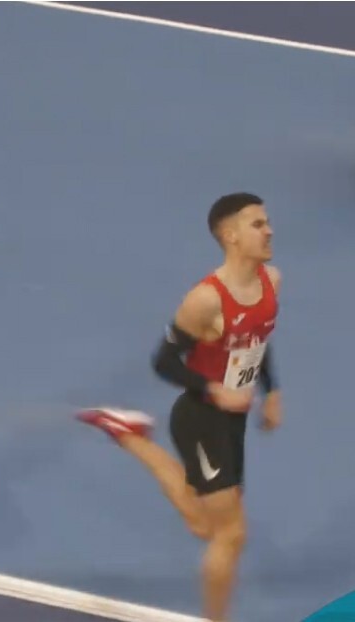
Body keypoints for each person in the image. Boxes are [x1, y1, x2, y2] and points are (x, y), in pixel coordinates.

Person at [77, 192, 282, 622]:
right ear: (231, 236)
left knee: (203, 524)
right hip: (200, 420)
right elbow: (164, 361)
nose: (269, 231)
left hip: (233, 423)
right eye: (258, 224)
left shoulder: (271, 282)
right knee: (231, 535)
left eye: (267, 222)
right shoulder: (205, 300)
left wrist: (272, 390)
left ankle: (129, 435)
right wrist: (215, 390)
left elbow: (257, 339)